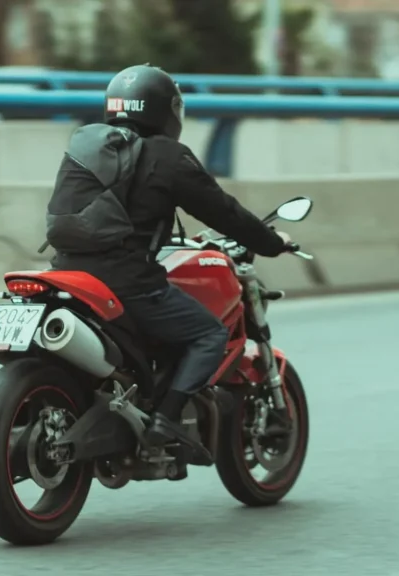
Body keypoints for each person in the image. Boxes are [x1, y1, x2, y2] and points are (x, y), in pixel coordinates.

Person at [48, 64, 294, 451]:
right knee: (209, 333)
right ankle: (167, 419)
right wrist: (271, 241)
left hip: (68, 274)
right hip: (128, 284)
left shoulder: (90, 146)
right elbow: (224, 213)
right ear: (167, 110)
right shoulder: (168, 156)